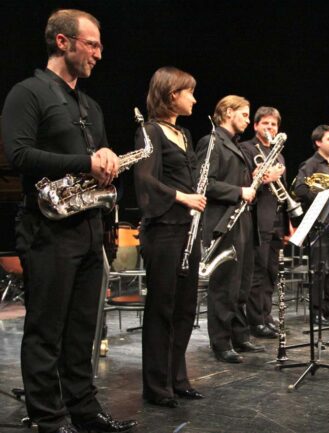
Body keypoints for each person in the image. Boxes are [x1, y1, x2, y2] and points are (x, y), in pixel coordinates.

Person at [1, 9, 136, 433]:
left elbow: (101, 156)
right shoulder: (28, 93)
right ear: (63, 42)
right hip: (47, 228)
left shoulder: (90, 105)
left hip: (87, 227)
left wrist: (110, 158)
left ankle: (84, 410)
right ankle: (48, 417)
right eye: (92, 44)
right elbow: (17, 155)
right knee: (46, 329)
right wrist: (85, 161)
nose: (99, 53)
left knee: (83, 329)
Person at [133, 66, 206, 408]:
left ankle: (177, 378)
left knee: (185, 308)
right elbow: (146, 179)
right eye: (188, 91)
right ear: (172, 94)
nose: (193, 97)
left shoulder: (185, 135)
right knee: (161, 308)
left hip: (188, 231)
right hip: (163, 232)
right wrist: (183, 197)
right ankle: (156, 386)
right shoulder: (150, 131)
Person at [196, 95, 264, 364]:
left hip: (242, 221)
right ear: (227, 112)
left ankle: (239, 334)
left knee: (243, 282)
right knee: (225, 285)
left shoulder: (235, 146)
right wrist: (239, 191)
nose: (248, 120)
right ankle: (221, 342)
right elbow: (203, 183)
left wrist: (252, 187)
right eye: (245, 115)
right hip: (222, 223)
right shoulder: (212, 141)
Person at [293, 125, 329, 324]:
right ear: (318, 142)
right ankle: (316, 311)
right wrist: (326, 199)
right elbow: (299, 188)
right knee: (319, 269)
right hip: (319, 223)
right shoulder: (310, 164)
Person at [240, 107, 288, 339]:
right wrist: (260, 176)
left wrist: (287, 223)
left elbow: (283, 192)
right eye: (266, 124)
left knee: (271, 271)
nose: (270, 128)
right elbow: (245, 182)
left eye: (274, 125)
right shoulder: (246, 149)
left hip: (276, 218)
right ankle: (255, 320)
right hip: (257, 217)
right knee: (257, 272)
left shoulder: (278, 154)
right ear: (256, 126)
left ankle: (266, 315)